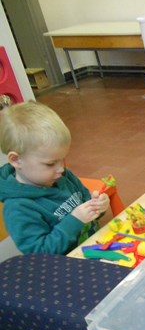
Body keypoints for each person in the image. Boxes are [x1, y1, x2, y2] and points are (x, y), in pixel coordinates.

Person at [0, 101, 109, 254]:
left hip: (97, 249)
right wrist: (75, 220)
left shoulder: (63, 177)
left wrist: (97, 206)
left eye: (62, 159)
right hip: (67, 266)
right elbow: (40, 253)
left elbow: (86, 205)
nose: (61, 168)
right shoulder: (18, 207)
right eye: (50, 164)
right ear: (16, 160)